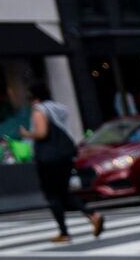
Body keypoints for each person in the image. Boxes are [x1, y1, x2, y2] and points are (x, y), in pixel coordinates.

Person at [21, 80, 100, 245]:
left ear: (34, 97)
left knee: (52, 195)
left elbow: (42, 133)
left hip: (48, 158)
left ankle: (64, 232)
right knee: (64, 192)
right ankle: (92, 215)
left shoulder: (39, 110)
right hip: (64, 155)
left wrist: (28, 134)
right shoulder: (58, 108)